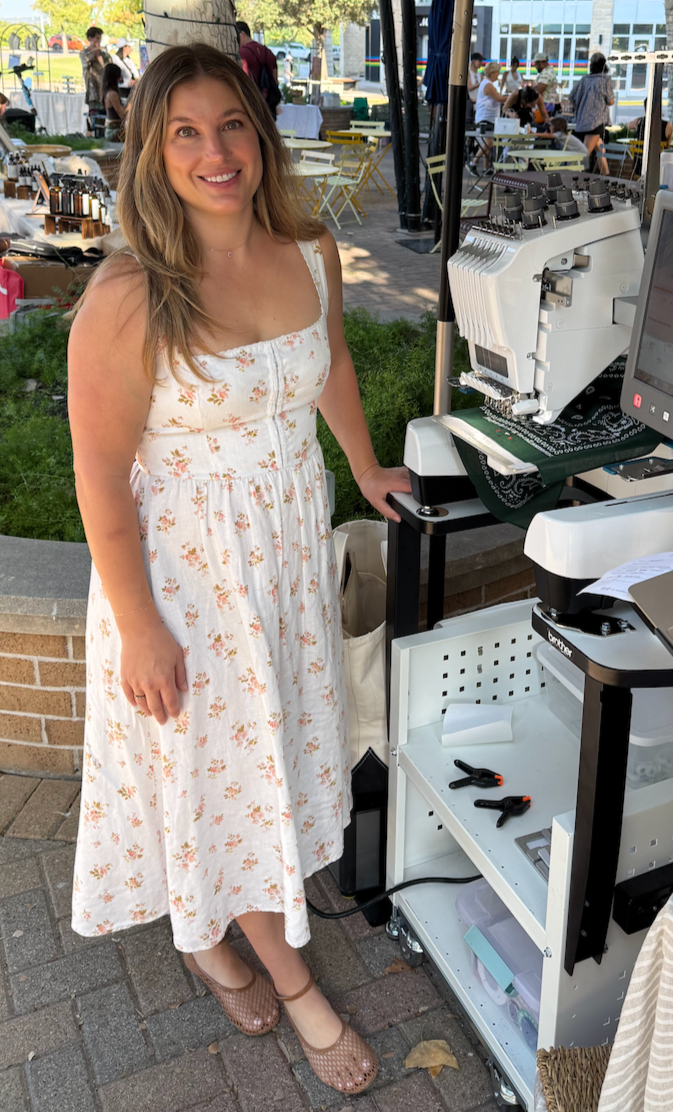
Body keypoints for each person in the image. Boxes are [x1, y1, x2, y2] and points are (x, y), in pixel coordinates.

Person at [67, 43, 410, 1096]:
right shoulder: (130, 295)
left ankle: (207, 925)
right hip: (183, 577)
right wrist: (140, 625)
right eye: (185, 133)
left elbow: (333, 364)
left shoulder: (308, 249)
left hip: (284, 556)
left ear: (259, 137)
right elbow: (99, 475)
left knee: (253, 758)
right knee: (219, 770)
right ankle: (288, 977)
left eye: (231, 127)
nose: (215, 153)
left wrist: (362, 460)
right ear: (151, 153)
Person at [570, 52, 615, 174]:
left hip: (582, 121)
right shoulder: (605, 80)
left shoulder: (584, 80)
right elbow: (610, 101)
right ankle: (575, 175)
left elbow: (571, 97)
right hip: (597, 121)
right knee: (584, 153)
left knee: (599, 149)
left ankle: (606, 176)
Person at [472, 61, 507, 173]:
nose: (498, 74)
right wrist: (512, 96)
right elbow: (499, 99)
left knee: (486, 143)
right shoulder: (487, 84)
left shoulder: (488, 83)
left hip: (488, 117)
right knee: (489, 143)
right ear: (492, 73)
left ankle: (485, 168)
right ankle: (473, 162)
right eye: (497, 72)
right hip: (485, 117)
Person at [236, 20, 279, 109]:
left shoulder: (241, 53)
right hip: (267, 104)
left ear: (242, 34)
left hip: (249, 102)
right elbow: (275, 79)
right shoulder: (268, 52)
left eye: (236, 37)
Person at [80, 26, 112, 118]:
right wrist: (94, 51)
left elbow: (109, 63)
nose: (99, 41)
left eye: (100, 38)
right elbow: (85, 62)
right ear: (90, 38)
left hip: (103, 87)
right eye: (97, 38)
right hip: (93, 88)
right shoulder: (84, 53)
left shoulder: (102, 53)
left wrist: (103, 53)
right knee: (94, 114)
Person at [101, 62, 126, 141]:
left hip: (113, 130)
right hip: (115, 131)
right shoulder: (112, 94)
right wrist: (131, 102)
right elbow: (122, 115)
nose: (121, 77)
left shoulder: (107, 92)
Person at [467, 51, 483, 127]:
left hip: (478, 101)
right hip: (470, 101)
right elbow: (469, 87)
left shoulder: (480, 75)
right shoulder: (469, 73)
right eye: (479, 61)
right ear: (473, 61)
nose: (481, 63)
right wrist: (479, 84)